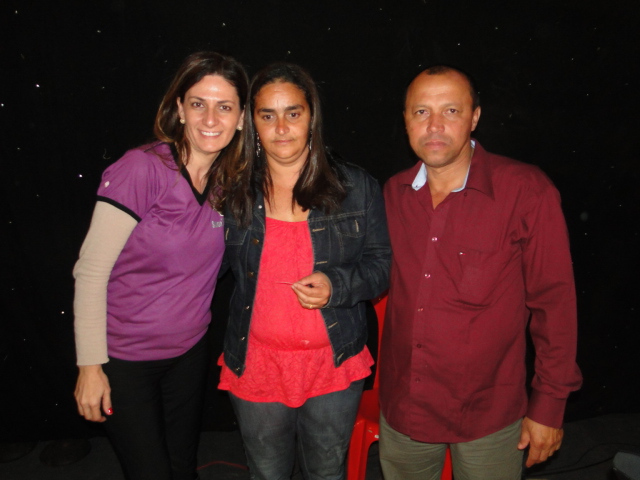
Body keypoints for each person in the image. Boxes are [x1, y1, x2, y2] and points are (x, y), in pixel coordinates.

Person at [379, 65, 583, 480]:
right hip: (405, 407)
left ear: (474, 118)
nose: (434, 125)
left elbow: (555, 305)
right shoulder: (392, 194)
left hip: (488, 414)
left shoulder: (526, 191)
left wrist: (549, 405)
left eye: (451, 110)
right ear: (405, 121)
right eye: (421, 112)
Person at [72, 51, 247, 480]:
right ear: (179, 109)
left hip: (188, 354)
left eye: (225, 107)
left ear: (241, 118)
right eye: (198, 103)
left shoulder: (227, 183)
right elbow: (90, 272)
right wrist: (90, 367)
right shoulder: (142, 169)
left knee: (183, 467)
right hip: (125, 360)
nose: (211, 118)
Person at [219, 62, 391, 480]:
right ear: (251, 123)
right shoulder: (233, 192)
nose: (281, 128)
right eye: (267, 115)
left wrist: (337, 285)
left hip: (333, 363)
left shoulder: (356, 188)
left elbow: (383, 266)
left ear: (312, 117)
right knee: (267, 473)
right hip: (257, 363)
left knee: (327, 472)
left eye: (293, 113)